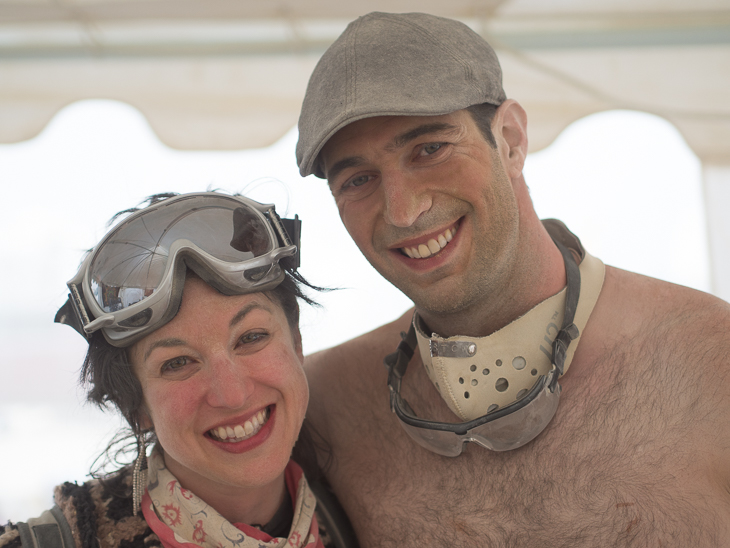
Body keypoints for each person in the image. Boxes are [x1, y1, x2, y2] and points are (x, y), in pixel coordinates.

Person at [295, 11, 730, 547]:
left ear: (511, 139)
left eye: (430, 149)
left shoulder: (714, 360)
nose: (404, 212)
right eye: (359, 179)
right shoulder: (323, 406)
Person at [0, 192, 357, 548]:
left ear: (296, 342)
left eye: (251, 337)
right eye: (177, 363)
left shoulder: (364, 513)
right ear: (136, 406)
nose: (232, 395)